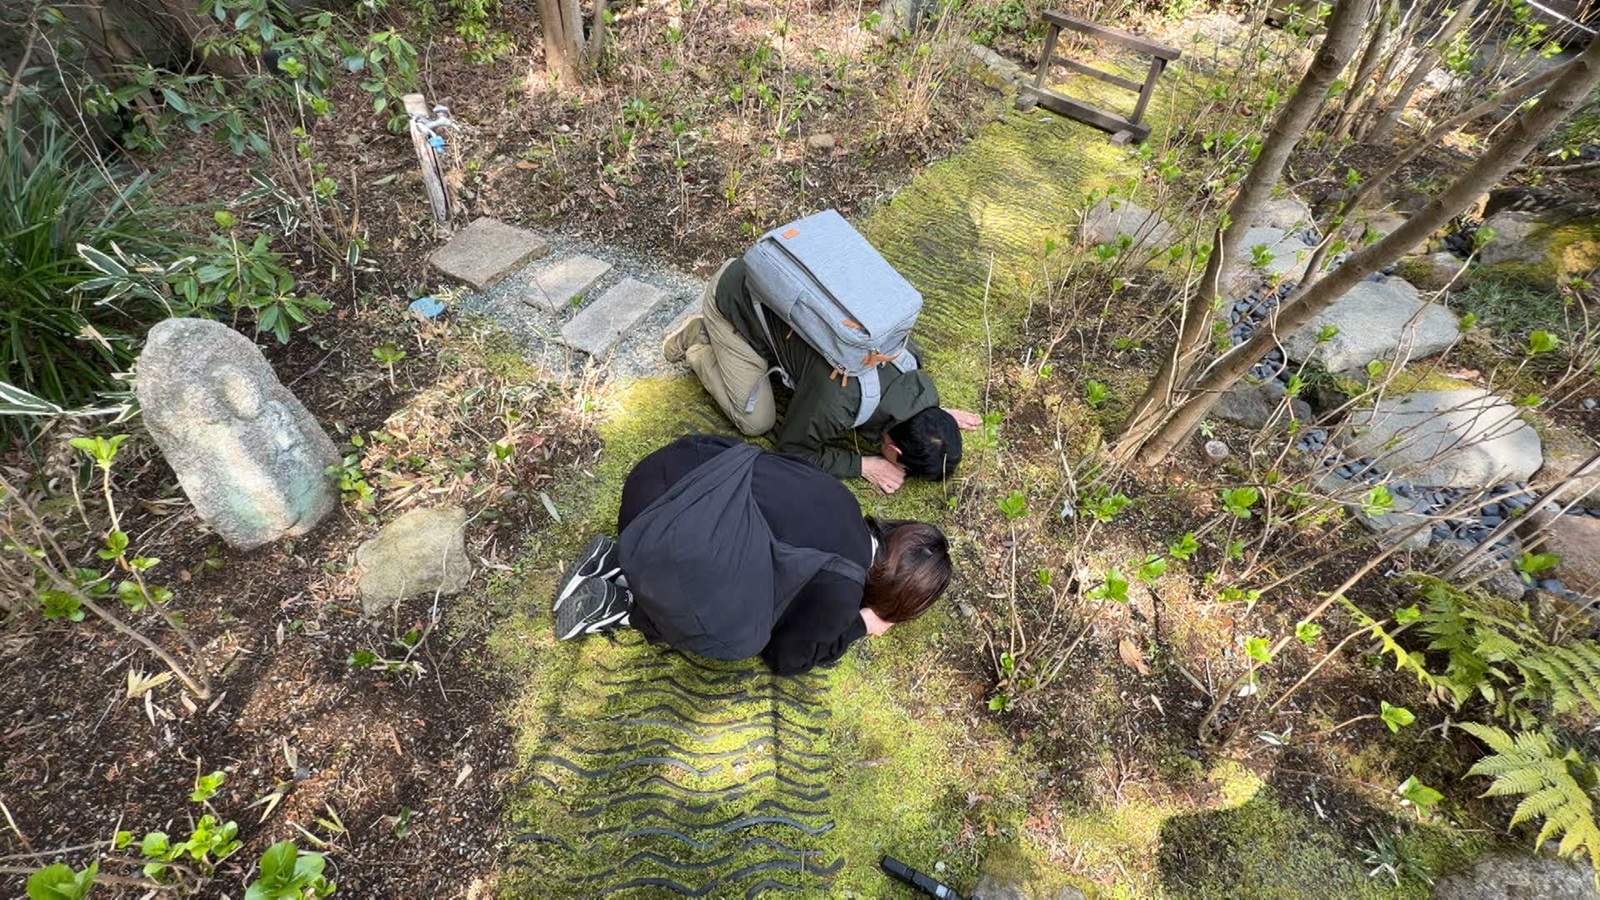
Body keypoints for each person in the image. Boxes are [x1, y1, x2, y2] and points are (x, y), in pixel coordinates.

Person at [552, 434, 952, 675]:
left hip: (659, 475)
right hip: (659, 532)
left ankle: (617, 561)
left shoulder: (843, 499)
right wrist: (860, 625)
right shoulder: (843, 588)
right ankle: (620, 605)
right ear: (894, 598)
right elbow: (785, 657)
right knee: (740, 638)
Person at [662, 257, 983, 494]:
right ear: (895, 451)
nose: (897, 470)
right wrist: (863, 465)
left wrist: (934, 415)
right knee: (756, 422)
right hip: (738, 300)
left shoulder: (910, 362)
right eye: (901, 466)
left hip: (779, 277)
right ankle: (700, 339)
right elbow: (793, 449)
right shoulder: (839, 402)